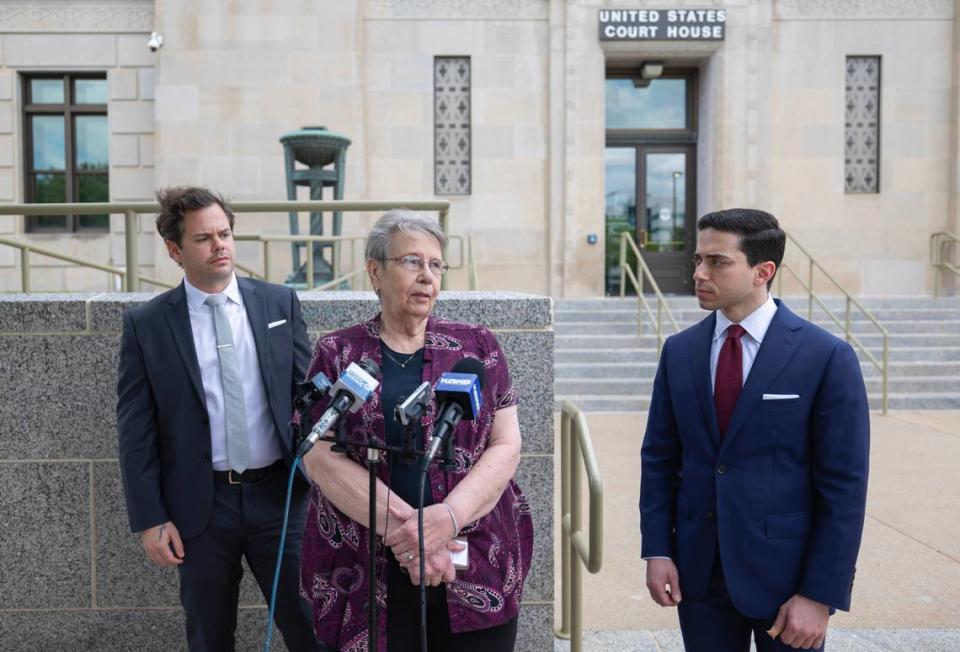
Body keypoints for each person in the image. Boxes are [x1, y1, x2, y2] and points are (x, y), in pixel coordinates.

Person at [298, 209, 533, 651]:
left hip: (473, 561)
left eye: (435, 265)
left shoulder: (477, 346)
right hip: (363, 571)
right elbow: (319, 453)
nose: (427, 275)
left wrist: (447, 520)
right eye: (411, 261)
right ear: (375, 271)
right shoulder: (338, 351)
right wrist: (416, 538)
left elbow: (506, 444)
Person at [639, 209, 870, 652]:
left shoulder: (825, 357)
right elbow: (660, 459)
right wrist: (658, 550)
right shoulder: (680, 351)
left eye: (717, 262)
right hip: (699, 577)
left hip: (789, 581)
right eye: (697, 259)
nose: (700, 273)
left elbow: (844, 485)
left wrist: (820, 594)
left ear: (763, 271)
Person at [116, 186, 322, 651]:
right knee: (209, 637)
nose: (220, 246)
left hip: (281, 499)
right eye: (204, 238)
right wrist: (151, 519)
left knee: (310, 628)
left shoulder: (278, 304)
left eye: (225, 233)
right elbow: (135, 430)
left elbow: (307, 398)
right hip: (200, 508)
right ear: (175, 250)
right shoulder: (147, 324)